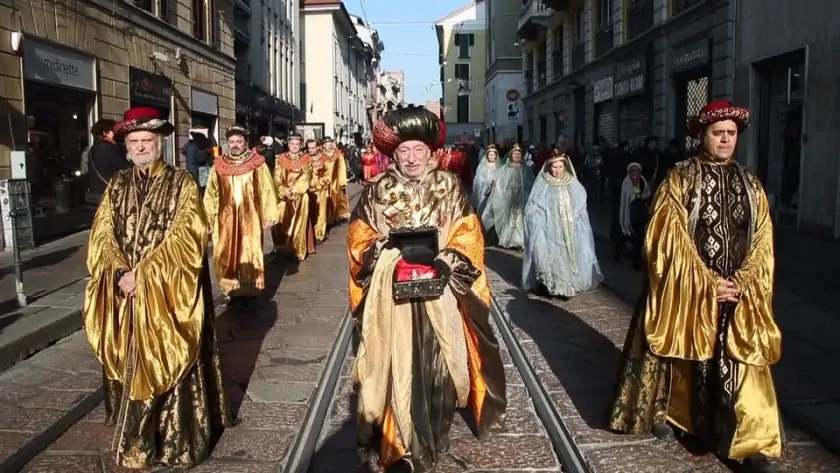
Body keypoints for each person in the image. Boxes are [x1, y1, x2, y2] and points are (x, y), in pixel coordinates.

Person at [608, 100, 782, 473]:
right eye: (718, 133)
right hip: (691, 288)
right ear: (703, 135)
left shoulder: (750, 182)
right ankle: (672, 414)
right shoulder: (680, 177)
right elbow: (667, 235)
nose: (725, 140)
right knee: (685, 355)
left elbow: (764, 236)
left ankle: (746, 440)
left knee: (741, 360)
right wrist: (705, 283)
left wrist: (744, 279)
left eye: (731, 134)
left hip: (737, 292)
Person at [347, 107, 506, 473]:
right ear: (394, 154)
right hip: (395, 302)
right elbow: (359, 237)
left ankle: (437, 434)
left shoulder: (449, 186)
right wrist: (384, 253)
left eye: (419, 149)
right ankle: (403, 443)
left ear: (431, 152)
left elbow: (469, 230)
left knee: (442, 372)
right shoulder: (377, 191)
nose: (412, 158)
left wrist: (449, 256)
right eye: (405, 151)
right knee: (398, 370)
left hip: (441, 293)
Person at [82, 106, 230, 468]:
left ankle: (173, 441)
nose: (141, 147)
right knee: (132, 357)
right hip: (127, 294)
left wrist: (144, 274)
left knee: (170, 357)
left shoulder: (181, 183)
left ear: (159, 142)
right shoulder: (117, 183)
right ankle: (136, 435)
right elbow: (102, 232)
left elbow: (188, 235)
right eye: (134, 141)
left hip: (166, 294)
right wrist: (117, 270)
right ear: (126, 146)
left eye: (147, 140)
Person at [203, 125, 278, 299]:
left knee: (248, 249)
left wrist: (270, 214)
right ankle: (229, 285)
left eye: (239, 141)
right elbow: (211, 193)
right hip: (225, 217)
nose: (235, 145)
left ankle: (250, 286)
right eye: (231, 142)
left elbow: (267, 189)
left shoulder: (257, 163)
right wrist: (207, 218)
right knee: (224, 250)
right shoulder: (219, 165)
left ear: (245, 142)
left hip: (250, 216)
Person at [522, 150, 602, 298]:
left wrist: (577, 219)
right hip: (548, 228)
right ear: (549, 167)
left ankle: (565, 286)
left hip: (569, 229)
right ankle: (549, 285)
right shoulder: (543, 183)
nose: (557, 170)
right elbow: (533, 207)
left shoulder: (572, 182)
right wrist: (538, 221)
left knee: (567, 257)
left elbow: (581, 204)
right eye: (554, 167)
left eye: (560, 167)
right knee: (547, 257)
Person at [482, 143, 535, 250]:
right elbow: (499, 185)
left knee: (521, 221)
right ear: (511, 155)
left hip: (522, 199)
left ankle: (521, 240)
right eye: (514, 154)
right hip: (508, 199)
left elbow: (531, 182)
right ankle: (510, 240)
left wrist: (526, 192)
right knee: (509, 221)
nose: (516, 156)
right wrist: (505, 194)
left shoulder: (525, 169)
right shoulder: (505, 168)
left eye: (518, 155)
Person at [273, 132, 315, 261]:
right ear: (288, 144)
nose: (295, 146)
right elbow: (276, 177)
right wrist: (283, 190)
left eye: (297, 144)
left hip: (300, 196)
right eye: (292, 144)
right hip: (283, 196)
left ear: (301, 145)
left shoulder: (306, 159)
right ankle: (281, 249)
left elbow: (306, 177)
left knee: (298, 223)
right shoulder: (279, 159)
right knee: (280, 220)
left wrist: (295, 191)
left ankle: (297, 249)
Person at [613, 162, 651, 269]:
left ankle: (637, 263)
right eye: (632, 171)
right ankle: (616, 255)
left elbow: (647, 193)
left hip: (640, 213)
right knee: (624, 236)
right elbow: (625, 197)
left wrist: (642, 196)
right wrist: (636, 196)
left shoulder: (642, 180)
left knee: (638, 240)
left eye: (637, 170)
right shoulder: (626, 182)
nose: (635, 173)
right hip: (628, 214)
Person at [86, 118, 130, 207]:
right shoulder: (109, 149)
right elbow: (127, 168)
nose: (117, 134)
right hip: (108, 194)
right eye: (113, 131)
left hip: (94, 193)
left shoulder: (92, 150)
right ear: (104, 133)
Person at [306, 138, 331, 243]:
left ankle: (319, 234)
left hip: (320, 190)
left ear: (318, 147)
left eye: (313, 148)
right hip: (307, 190)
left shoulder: (325, 159)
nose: (311, 150)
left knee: (320, 212)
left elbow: (328, 175)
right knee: (309, 212)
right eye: (309, 148)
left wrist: (319, 184)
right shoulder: (305, 158)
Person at [471, 144, 500, 229]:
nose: (491, 156)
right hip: (484, 194)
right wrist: (486, 184)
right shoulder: (482, 167)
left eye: (493, 154)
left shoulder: (499, 167)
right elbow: (477, 181)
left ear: (496, 156)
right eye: (490, 154)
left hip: (495, 194)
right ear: (487, 155)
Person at [323, 137, 350, 225]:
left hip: (336, 180)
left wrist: (342, 181)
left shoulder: (338, 155)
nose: (329, 145)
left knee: (337, 197)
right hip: (324, 181)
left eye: (330, 143)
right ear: (323, 145)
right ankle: (327, 217)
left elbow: (342, 168)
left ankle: (337, 215)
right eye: (327, 144)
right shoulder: (321, 155)